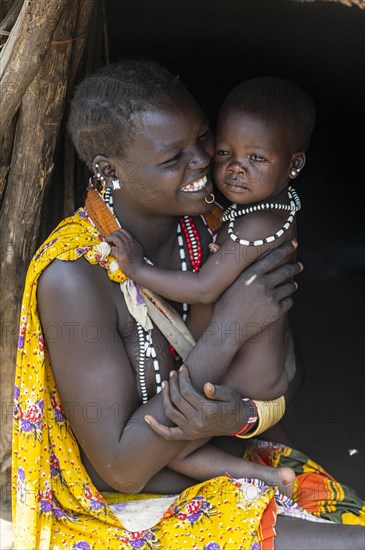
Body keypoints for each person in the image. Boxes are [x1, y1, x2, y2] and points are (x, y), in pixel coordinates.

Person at [12, 60, 365, 550]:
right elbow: (121, 467)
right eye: (172, 157)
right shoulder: (76, 274)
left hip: (232, 466)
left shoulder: (216, 226)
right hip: (127, 511)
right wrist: (227, 331)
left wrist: (237, 416)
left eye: (202, 139)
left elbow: (283, 373)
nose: (202, 162)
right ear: (109, 169)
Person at [104, 76, 315, 494]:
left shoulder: (256, 223)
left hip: (247, 379)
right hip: (261, 368)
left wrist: (136, 268)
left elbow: (203, 288)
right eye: (224, 152)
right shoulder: (269, 208)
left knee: (171, 444)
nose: (235, 168)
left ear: (294, 165)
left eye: (256, 157)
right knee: (178, 440)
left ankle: (271, 479)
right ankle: (271, 473)